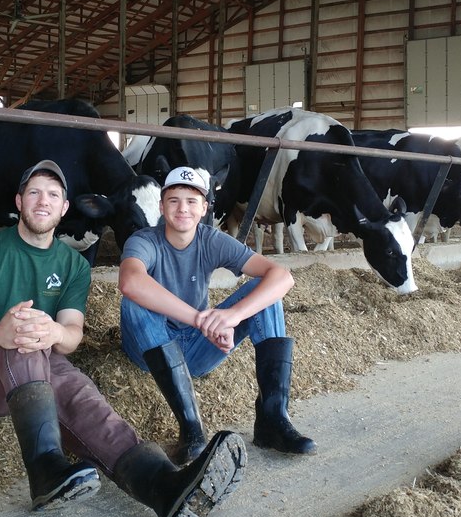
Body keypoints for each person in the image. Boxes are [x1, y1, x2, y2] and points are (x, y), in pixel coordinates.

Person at [0, 159, 245, 517]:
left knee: (86, 401)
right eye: (34, 193)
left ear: (65, 208)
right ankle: (45, 470)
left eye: (53, 195)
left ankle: (164, 488)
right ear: (19, 201)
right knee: (24, 334)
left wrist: (54, 332)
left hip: (43, 361)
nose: (43, 201)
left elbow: (71, 335)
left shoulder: (74, 266)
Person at [117, 166, 316, 465]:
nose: (182, 208)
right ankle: (191, 428)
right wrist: (201, 320)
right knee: (133, 303)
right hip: (149, 350)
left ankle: (272, 418)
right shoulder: (144, 241)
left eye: (192, 201)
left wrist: (233, 316)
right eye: (173, 200)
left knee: (265, 296)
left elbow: (282, 277)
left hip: (198, 350)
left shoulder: (211, 239)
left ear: (205, 208)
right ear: (161, 206)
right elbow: (130, 281)